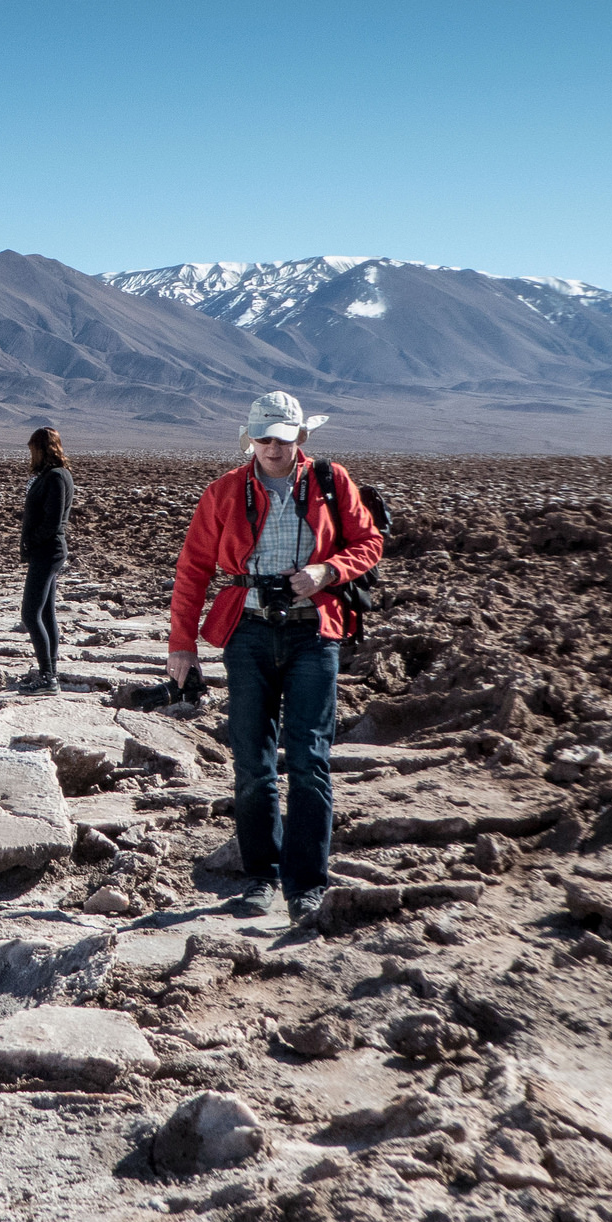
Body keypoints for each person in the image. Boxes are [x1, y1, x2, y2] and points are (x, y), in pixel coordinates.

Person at [167, 392, 383, 921]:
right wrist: (182, 644)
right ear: (250, 439)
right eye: (263, 438)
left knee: (310, 760)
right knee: (252, 762)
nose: (273, 447)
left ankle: (306, 883)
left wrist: (327, 572)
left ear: (300, 438)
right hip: (248, 634)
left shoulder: (331, 481)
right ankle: (260, 877)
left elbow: (369, 542)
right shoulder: (224, 492)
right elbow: (193, 568)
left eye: (283, 438)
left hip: (314, 634)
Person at [17, 426, 75, 694]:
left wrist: (32, 541)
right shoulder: (51, 475)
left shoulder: (55, 477)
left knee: (30, 614)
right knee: (46, 612)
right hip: (46, 551)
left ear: (43, 449)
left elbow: (52, 522)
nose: (31, 454)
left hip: (48, 551)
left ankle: (47, 678)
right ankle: (50, 673)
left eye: (34, 449)